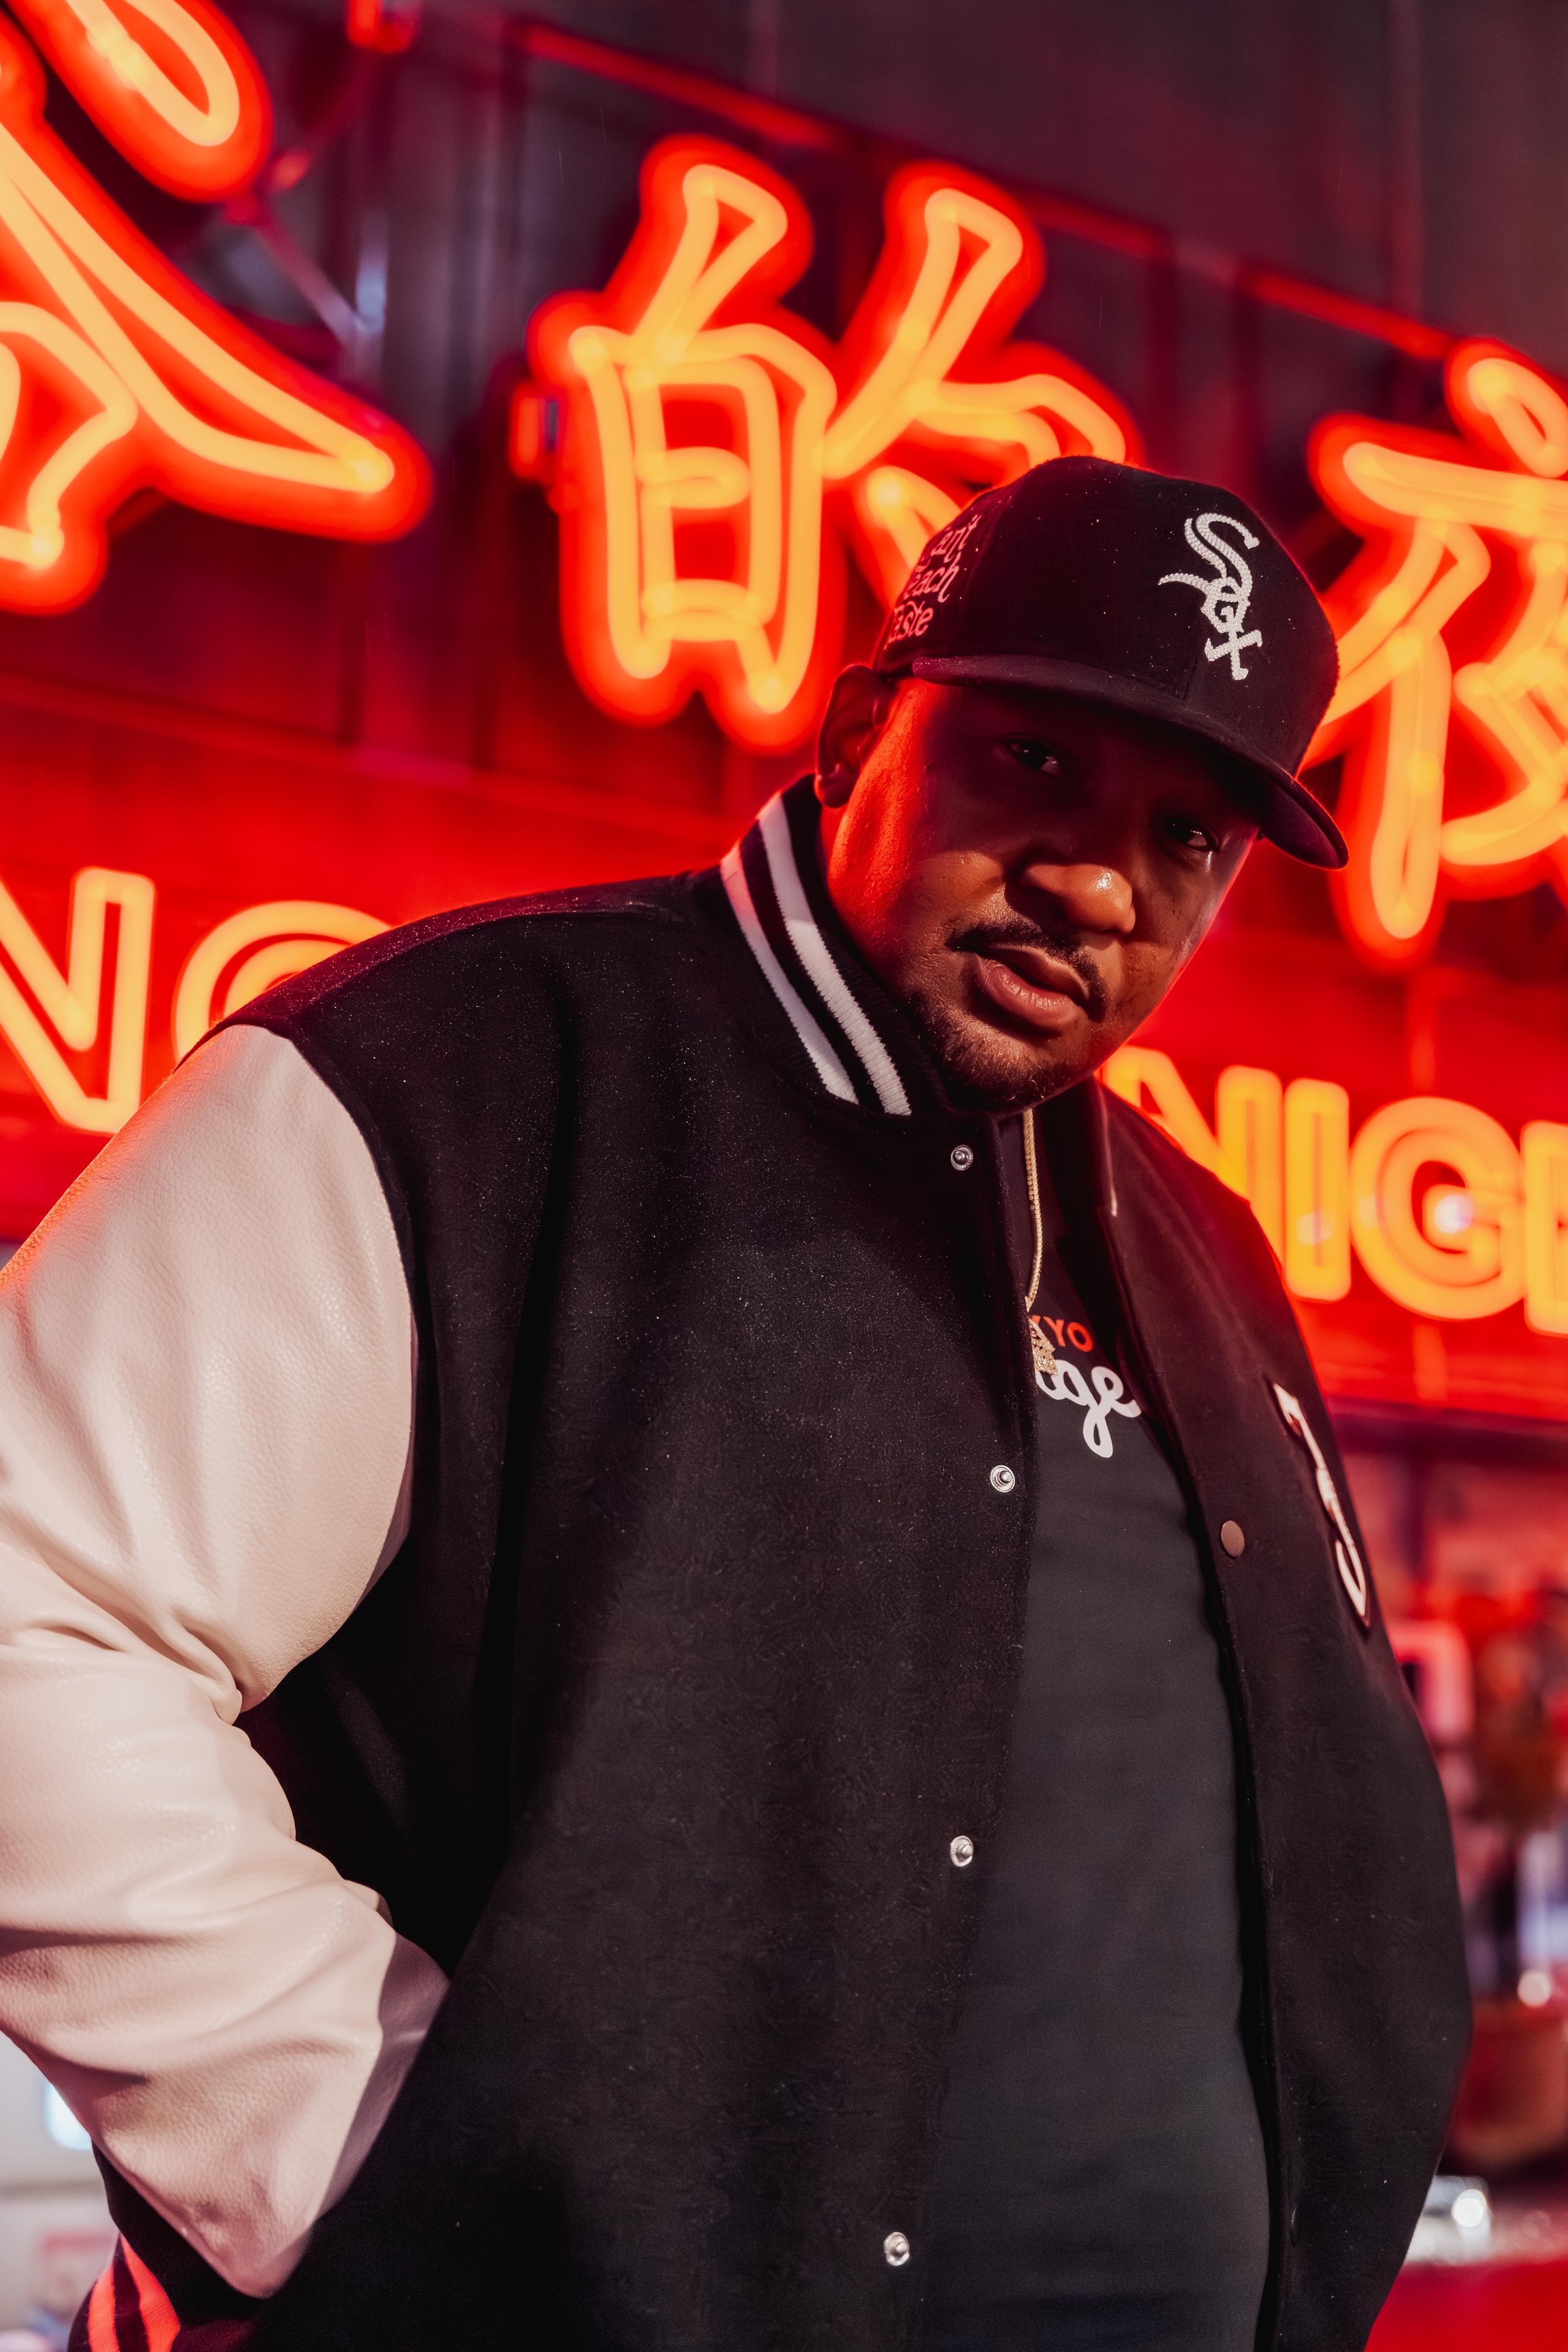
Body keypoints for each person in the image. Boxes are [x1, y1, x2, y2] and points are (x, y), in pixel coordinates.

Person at [0, 458, 1465, 2352]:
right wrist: (392, 2168)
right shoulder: (453, 1079)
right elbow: (29, 1614)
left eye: (1184, 834)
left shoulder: (1200, 1243)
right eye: (1032, 761)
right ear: (860, 737)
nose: (1098, 881)